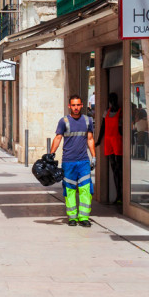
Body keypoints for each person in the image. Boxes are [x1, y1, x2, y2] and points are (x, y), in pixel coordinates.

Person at [50, 94, 97, 227]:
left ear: (82, 105)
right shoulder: (63, 121)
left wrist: (94, 156)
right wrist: (51, 154)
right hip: (68, 162)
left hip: (83, 161)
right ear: (69, 106)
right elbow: (58, 138)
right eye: (73, 105)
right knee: (69, 189)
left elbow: (90, 139)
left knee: (86, 189)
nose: (76, 108)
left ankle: (83, 217)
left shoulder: (88, 121)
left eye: (78, 105)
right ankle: (72, 217)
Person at [96, 93, 124, 205]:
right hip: (108, 140)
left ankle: (121, 193)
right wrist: (98, 140)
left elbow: (122, 127)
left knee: (119, 167)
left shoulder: (120, 112)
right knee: (113, 168)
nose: (111, 101)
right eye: (110, 99)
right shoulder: (106, 112)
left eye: (113, 99)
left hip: (117, 140)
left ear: (116, 99)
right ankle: (118, 193)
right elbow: (103, 126)